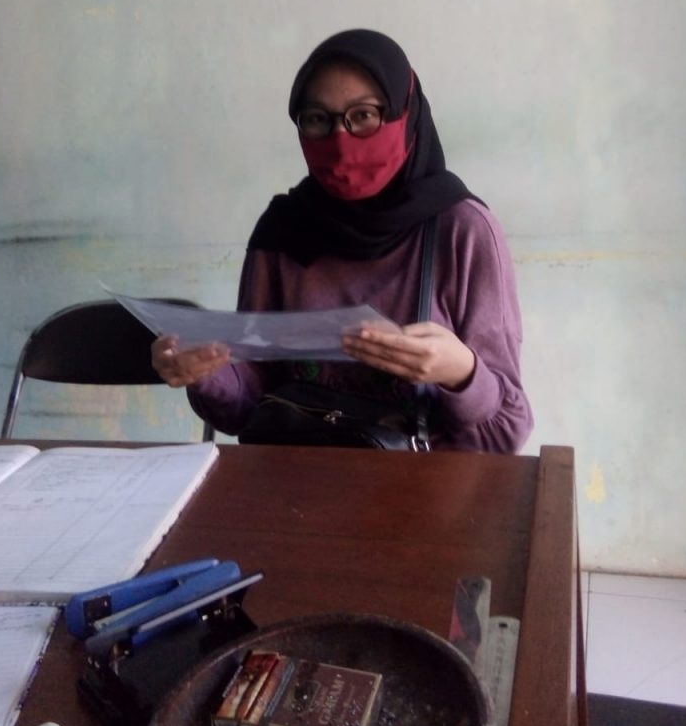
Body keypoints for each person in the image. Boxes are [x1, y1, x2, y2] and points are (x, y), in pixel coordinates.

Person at [152, 29, 532, 452]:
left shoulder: (463, 232)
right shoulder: (283, 229)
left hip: (424, 485)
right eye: (318, 119)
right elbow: (248, 406)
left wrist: (461, 373)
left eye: (364, 115)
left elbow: (506, 433)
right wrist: (205, 373)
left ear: (406, 115)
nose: (340, 139)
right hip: (296, 478)